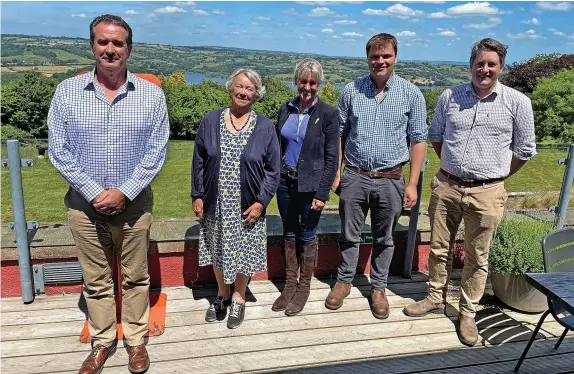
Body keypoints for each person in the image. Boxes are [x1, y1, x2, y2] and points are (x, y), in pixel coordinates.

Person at [48, 14, 169, 374]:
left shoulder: (151, 94)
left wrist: (124, 192)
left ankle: (135, 341)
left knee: (135, 277)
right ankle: (102, 342)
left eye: (118, 43)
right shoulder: (67, 92)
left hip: (134, 207)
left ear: (129, 49)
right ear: (92, 46)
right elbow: (59, 150)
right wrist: (95, 192)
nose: (110, 49)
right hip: (84, 208)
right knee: (96, 279)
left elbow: (156, 151)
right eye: (103, 42)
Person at [403, 38, 536, 347]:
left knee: (478, 256)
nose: (484, 69)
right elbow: (436, 137)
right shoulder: (450, 97)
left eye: (491, 63)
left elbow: (525, 150)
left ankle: (467, 313)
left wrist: (497, 176)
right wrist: (454, 167)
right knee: (438, 247)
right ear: (470, 64)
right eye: (479, 63)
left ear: (501, 67)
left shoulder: (518, 103)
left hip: (488, 192)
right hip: (447, 185)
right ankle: (434, 297)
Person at [326, 33, 427, 319]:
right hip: (355, 175)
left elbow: (418, 139)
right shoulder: (351, 90)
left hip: (391, 178)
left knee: (385, 238)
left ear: (395, 57)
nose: (380, 61)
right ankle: (344, 281)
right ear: (367, 58)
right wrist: (337, 172)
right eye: (374, 56)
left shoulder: (411, 93)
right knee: (348, 234)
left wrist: (412, 183)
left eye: (386, 56)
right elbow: (339, 134)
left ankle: (379, 288)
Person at [191, 68, 281, 329]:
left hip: (248, 204)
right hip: (215, 201)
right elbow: (198, 161)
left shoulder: (265, 127)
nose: (243, 92)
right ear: (230, 89)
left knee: (245, 252)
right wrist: (197, 195)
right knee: (217, 247)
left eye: (249, 88)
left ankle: (239, 297)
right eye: (239, 86)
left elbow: (273, 170)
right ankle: (222, 294)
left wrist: (262, 202)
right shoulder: (210, 121)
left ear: (256, 94)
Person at [271, 59, 339, 316]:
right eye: (303, 81)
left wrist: (323, 194)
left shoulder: (329, 114)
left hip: (311, 186)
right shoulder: (285, 109)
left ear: (318, 84)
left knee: (307, 233)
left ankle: (304, 287)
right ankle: (289, 285)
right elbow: (278, 146)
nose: (307, 87)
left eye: (312, 82)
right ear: (296, 82)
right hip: (285, 183)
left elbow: (332, 158)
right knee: (289, 232)